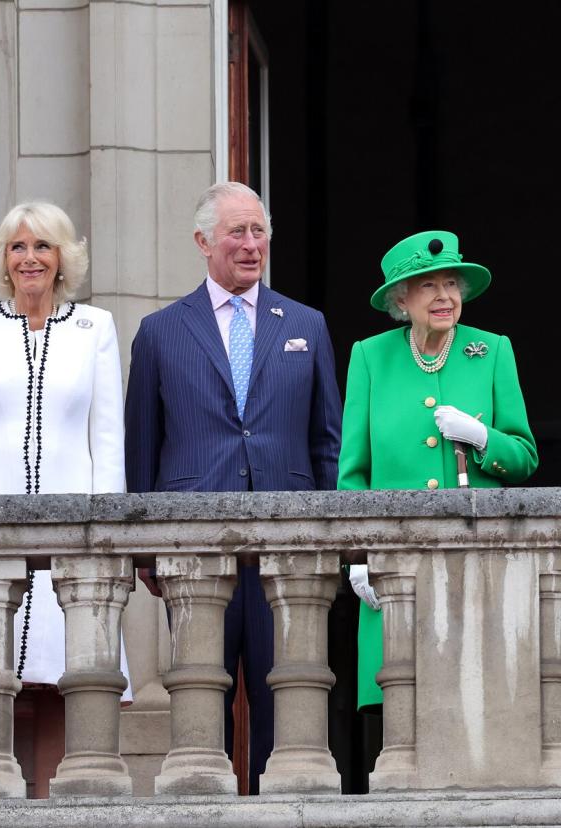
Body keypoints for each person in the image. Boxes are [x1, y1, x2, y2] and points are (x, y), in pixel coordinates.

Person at [124, 181, 342, 794]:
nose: (252, 245)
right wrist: (146, 549)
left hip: (290, 550)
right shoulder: (160, 332)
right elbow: (142, 448)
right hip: (195, 549)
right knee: (200, 698)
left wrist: (333, 537)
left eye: (260, 232)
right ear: (203, 241)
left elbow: (328, 441)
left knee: (291, 696)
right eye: (237, 232)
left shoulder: (306, 324)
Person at [0, 201, 127, 798]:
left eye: (42, 246)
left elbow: (106, 439)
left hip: (70, 533)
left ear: (63, 257)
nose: (29, 258)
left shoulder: (96, 329)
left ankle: (55, 807)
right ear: (3, 260)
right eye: (18, 247)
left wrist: (109, 538)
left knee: (65, 677)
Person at [338, 230, 538, 749]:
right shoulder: (369, 357)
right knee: (402, 703)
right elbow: (352, 473)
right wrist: (357, 554)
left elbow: (525, 457)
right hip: (397, 565)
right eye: (428, 286)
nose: (445, 295)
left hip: (475, 560)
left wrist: (482, 437)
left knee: (477, 703)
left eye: (452, 283)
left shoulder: (491, 351)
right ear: (401, 300)